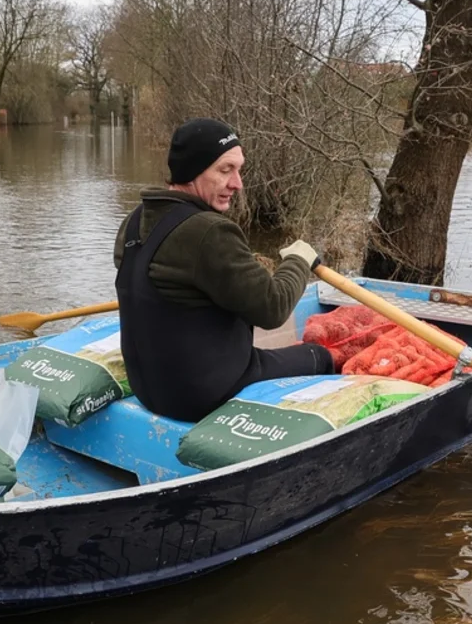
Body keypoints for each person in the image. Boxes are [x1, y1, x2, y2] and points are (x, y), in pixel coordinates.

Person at [114, 118, 334, 422]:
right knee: (320, 356)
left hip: (150, 390)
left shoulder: (134, 221)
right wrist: (298, 259)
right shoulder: (210, 232)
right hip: (205, 394)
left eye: (238, 170)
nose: (237, 184)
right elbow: (273, 308)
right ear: (192, 171)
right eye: (225, 170)